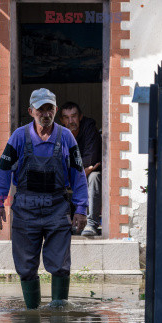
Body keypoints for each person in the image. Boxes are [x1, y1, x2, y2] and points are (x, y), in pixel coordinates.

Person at [0, 88, 89, 309]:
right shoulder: (18, 137)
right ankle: (32, 315)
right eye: (40, 109)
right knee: (25, 267)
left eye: (49, 108)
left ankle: (59, 317)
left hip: (57, 208)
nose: (45, 113)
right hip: (25, 209)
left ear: (55, 110)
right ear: (31, 111)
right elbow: (2, 171)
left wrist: (81, 208)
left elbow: (78, 174)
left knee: (60, 265)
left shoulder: (66, 137)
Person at [59, 102, 102, 237]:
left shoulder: (89, 128)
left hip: (88, 175)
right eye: (66, 117)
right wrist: (80, 172)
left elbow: (91, 159)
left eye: (74, 116)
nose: (70, 121)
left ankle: (91, 223)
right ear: (62, 120)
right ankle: (63, 224)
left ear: (80, 117)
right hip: (76, 174)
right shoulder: (59, 134)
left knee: (95, 176)